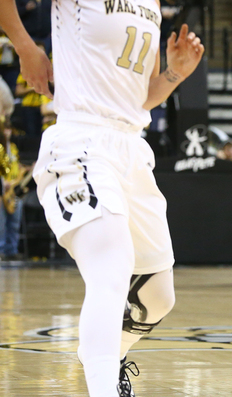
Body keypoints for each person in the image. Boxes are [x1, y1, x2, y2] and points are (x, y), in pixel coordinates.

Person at [1, 1, 205, 395]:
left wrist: (174, 72)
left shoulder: (152, 4)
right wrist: (26, 46)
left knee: (158, 296)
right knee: (112, 266)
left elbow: (140, 99)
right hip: (80, 138)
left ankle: (106, 359)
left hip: (130, 146)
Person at [0, 118, 24, 259]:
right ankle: (1, 250)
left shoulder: (13, 148)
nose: (8, 131)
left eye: (9, 128)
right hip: (2, 188)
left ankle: (12, 250)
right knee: (1, 222)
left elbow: (15, 166)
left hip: (13, 189)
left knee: (14, 220)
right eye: (5, 128)